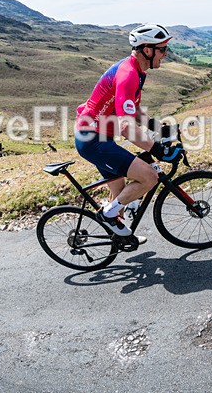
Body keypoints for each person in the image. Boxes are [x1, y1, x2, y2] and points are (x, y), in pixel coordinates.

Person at [74, 23, 183, 240]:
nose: (166, 54)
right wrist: (158, 150)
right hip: (93, 141)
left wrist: (155, 127)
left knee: (120, 195)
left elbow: (132, 110)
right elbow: (126, 127)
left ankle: (117, 237)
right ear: (147, 50)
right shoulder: (128, 74)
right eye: (162, 49)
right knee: (149, 176)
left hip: (99, 137)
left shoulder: (138, 71)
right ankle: (107, 216)